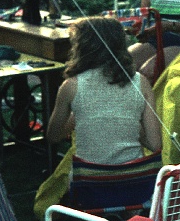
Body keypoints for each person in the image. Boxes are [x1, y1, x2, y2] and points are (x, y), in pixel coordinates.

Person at [46, 16, 162, 164]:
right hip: (133, 178)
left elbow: (53, 136)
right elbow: (156, 145)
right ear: (121, 44)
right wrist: (127, 123)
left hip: (90, 180)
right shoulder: (141, 82)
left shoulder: (71, 86)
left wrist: (80, 117)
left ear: (80, 46)